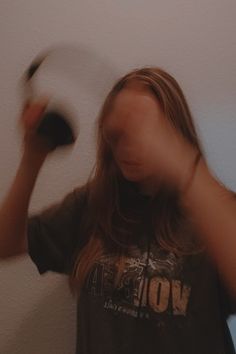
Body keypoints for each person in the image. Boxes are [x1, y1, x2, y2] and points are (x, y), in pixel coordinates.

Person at [1, 67, 236, 354]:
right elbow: (6, 243)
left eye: (143, 129)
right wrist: (32, 159)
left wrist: (182, 166)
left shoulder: (214, 211)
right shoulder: (92, 204)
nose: (127, 145)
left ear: (173, 130)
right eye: (119, 133)